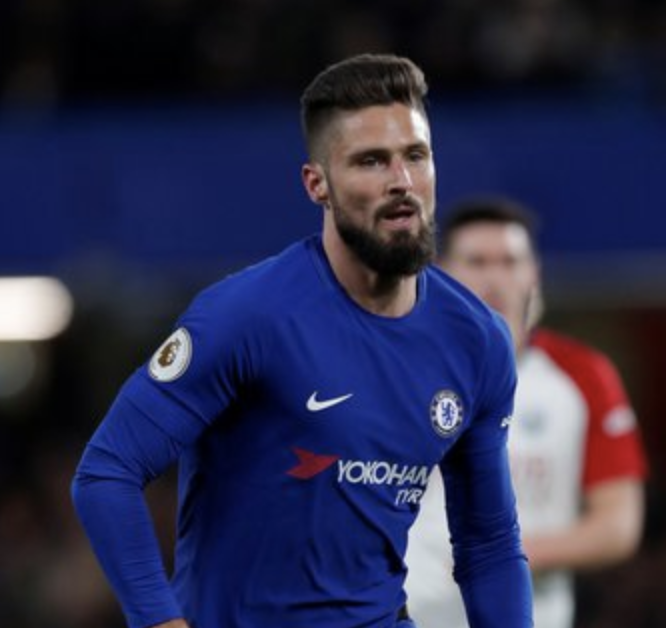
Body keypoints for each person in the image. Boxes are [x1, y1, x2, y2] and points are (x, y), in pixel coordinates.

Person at [71, 54, 533, 628]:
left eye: (416, 155)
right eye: (371, 161)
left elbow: (489, 543)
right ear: (318, 184)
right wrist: (159, 621)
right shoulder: (246, 316)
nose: (402, 181)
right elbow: (107, 472)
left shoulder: (477, 340)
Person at [405, 196, 647, 628]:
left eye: (510, 261)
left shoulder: (583, 376)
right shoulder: (403, 369)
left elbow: (618, 525)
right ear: (442, 272)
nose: (495, 277)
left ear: (533, 272)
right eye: (477, 261)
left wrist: (502, 556)